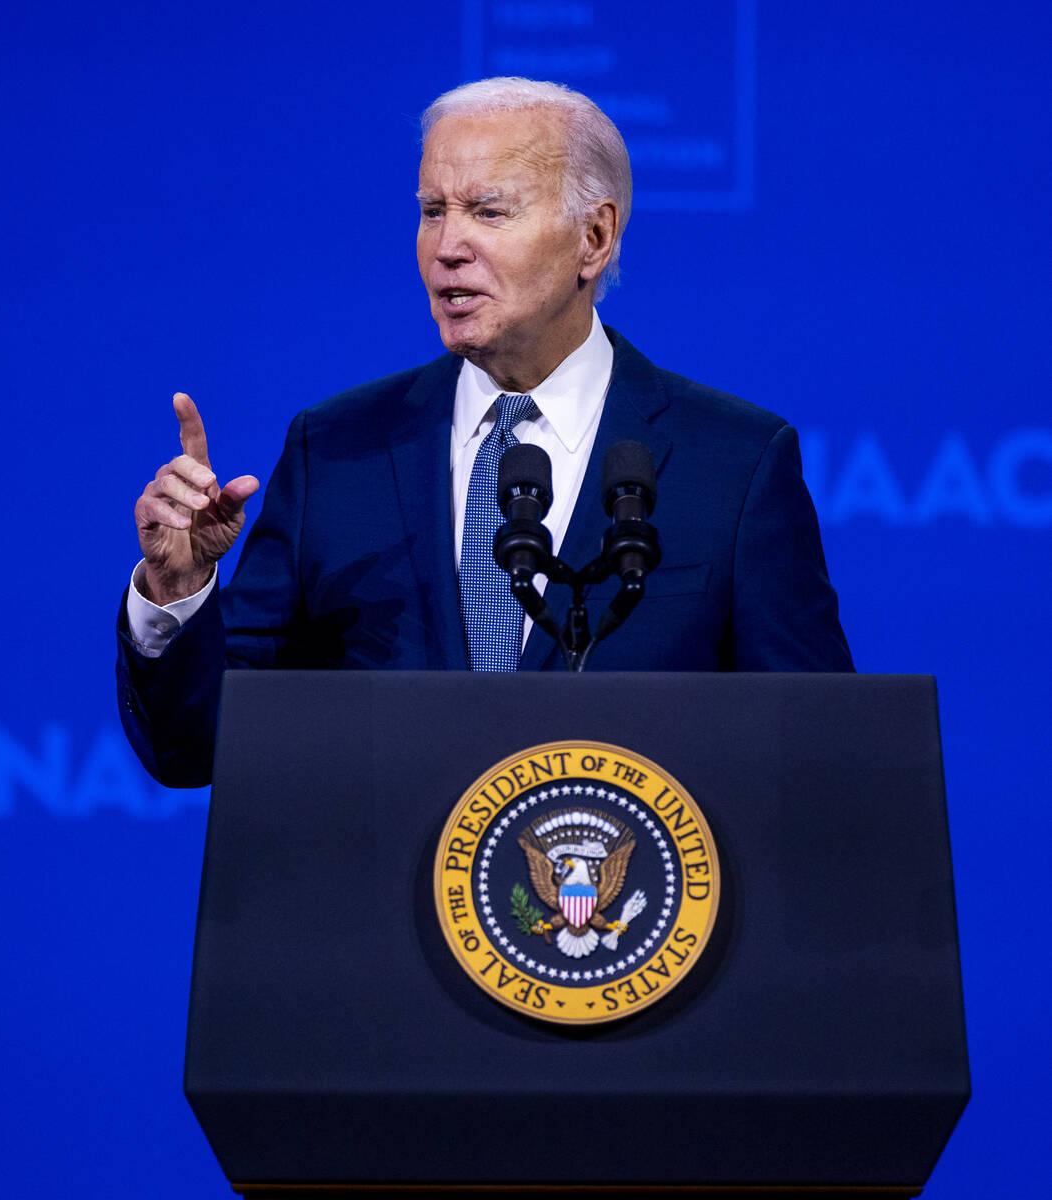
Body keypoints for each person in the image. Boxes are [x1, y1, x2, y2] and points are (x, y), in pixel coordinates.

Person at [118, 77, 853, 787]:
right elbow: (200, 746)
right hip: (385, 907)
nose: (446, 246)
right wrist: (178, 590)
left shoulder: (732, 462)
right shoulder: (336, 450)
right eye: (432, 210)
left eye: (488, 212)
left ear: (593, 239)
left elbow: (817, 757)